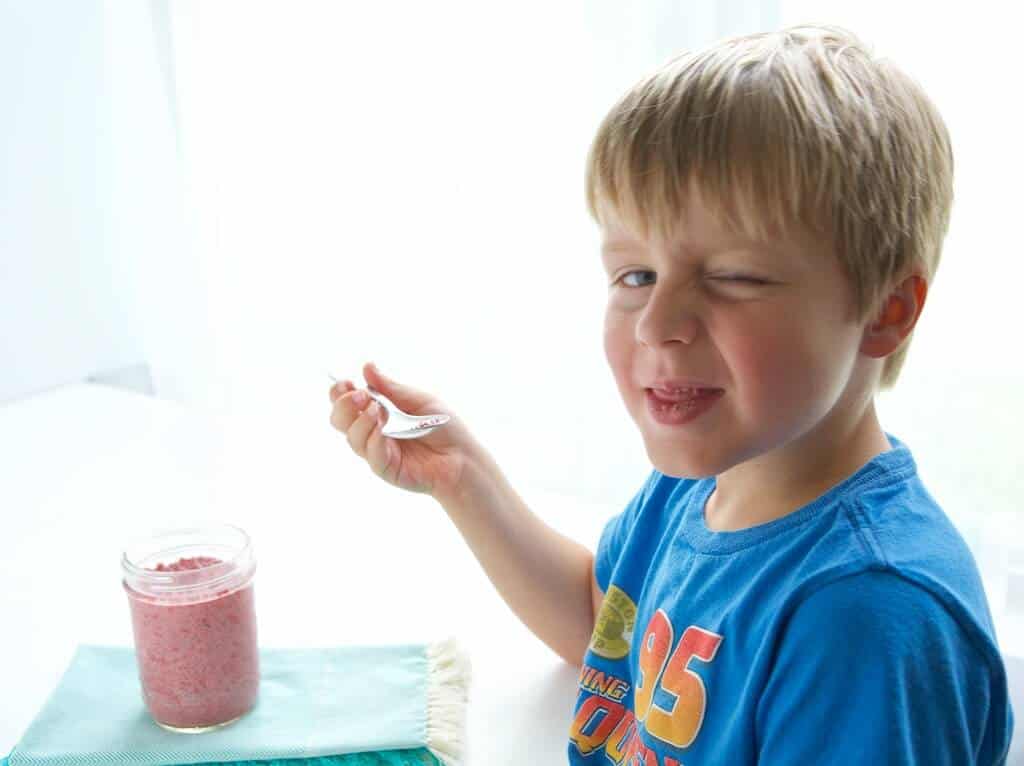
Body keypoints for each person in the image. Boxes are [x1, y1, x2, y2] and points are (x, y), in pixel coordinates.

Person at [328, 23, 1014, 765]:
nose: (658, 324)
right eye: (635, 276)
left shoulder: (862, 620)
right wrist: (465, 479)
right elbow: (603, 627)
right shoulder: (699, 484)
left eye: (733, 277)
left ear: (886, 309)